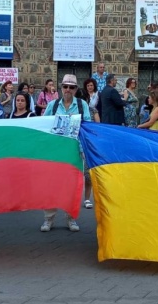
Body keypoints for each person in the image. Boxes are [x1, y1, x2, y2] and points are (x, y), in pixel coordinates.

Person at [41, 74, 91, 233]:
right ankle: (48, 219)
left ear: (76, 89)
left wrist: (85, 151)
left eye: (71, 87)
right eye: (65, 86)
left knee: (72, 187)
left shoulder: (82, 105)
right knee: (51, 186)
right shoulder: (53, 105)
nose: (68, 89)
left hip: (74, 151)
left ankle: (71, 218)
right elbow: (44, 126)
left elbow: (88, 128)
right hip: (55, 152)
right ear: (61, 87)